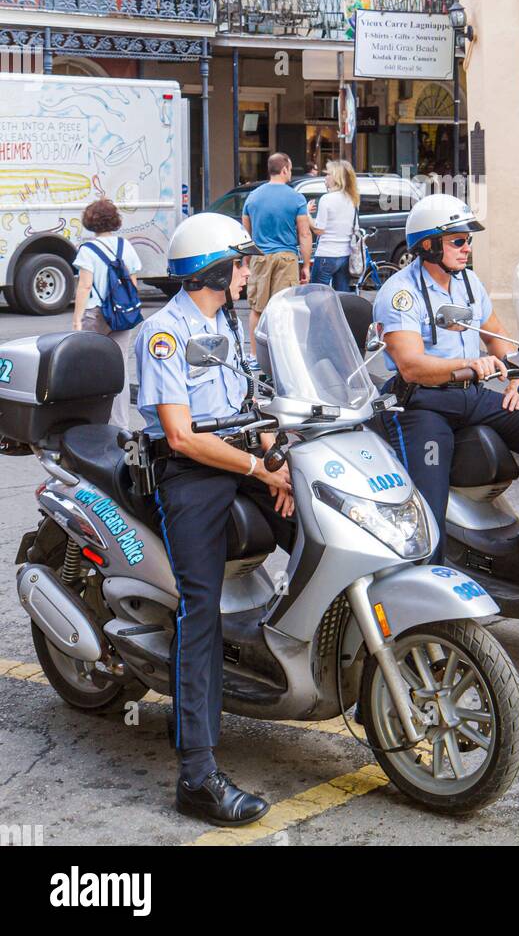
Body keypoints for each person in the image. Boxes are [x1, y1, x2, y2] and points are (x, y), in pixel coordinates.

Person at [135, 213, 295, 827]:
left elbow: (254, 401)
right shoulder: (164, 334)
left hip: (243, 458)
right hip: (189, 473)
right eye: (240, 262)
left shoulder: (227, 322)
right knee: (199, 606)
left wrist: (276, 457)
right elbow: (180, 435)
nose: (247, 270)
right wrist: (258, 472)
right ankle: (197, 775)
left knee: (314, 524)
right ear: (213, 271)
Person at [372, 193, 519, 559]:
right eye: (458, 241)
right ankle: (428, 585)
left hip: (470, 395)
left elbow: (498, 338)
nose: (467, 248)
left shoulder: (468, 283)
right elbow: (411, 365)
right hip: (422, 403)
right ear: (429, 245)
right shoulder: (400, 293)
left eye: (469, 240)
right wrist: (467, 364)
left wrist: (516, 376)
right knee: (428, 501)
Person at [72, 199, 142, 427]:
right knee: (119, 368)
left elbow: (84, 286)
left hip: (96, 314)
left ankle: (92, 420)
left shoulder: (87, 250)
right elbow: (133, 283)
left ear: (90, 222)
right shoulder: (125, 246)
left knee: (90, 367)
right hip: (122, 315)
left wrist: (76, 320)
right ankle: (120, 425)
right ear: (114, 220)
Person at [242, 153, 312, 361]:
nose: (290, 173)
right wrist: (306, 265)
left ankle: (254, 356)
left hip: (259, 257)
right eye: (289, 169)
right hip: (286, 258)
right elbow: (305, 233)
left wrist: (245, 262)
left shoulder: (253, 196)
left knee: (257, 309)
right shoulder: (296, 198)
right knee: (283, 310)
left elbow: (246, 233)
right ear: (284, 170)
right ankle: (282, 358)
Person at [309, 159, 359, 293]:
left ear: (337, 177)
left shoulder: (327, 199)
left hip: (326, 254)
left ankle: (320, 315)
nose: (325, 177)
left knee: (316, 295)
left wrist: (306, 214)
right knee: (342, 298)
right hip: (345, 255)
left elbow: (318, 230)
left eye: (328, 174)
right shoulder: (352, 199)